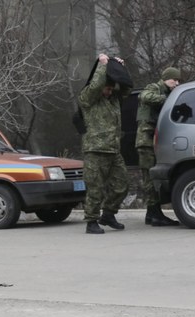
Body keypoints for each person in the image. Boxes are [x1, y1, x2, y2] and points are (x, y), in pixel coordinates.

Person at [78, 53, 131, 234]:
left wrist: (121, 68)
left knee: (122, 185)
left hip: (113, 150)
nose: (109, 91)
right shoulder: (88, 98)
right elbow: (96, 86)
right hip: (95, 150)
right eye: (106, 88)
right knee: (95, 188)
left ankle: (108, 214)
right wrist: (102, 65)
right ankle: (91, 221)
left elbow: (126, 88)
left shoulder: (114, 99)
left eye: (111, 88)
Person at [136, 67, 181, 226]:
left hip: (155, 140)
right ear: (165, 79)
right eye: (174, 80)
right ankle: (155, 214)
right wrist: (168, 99)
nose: (176, 83)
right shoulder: (154, 88)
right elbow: (144, 96)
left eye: (178, 80)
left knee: (154, 177)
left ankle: (152, 214)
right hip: (145, 140)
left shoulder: (169, 93)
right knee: (149, 177)